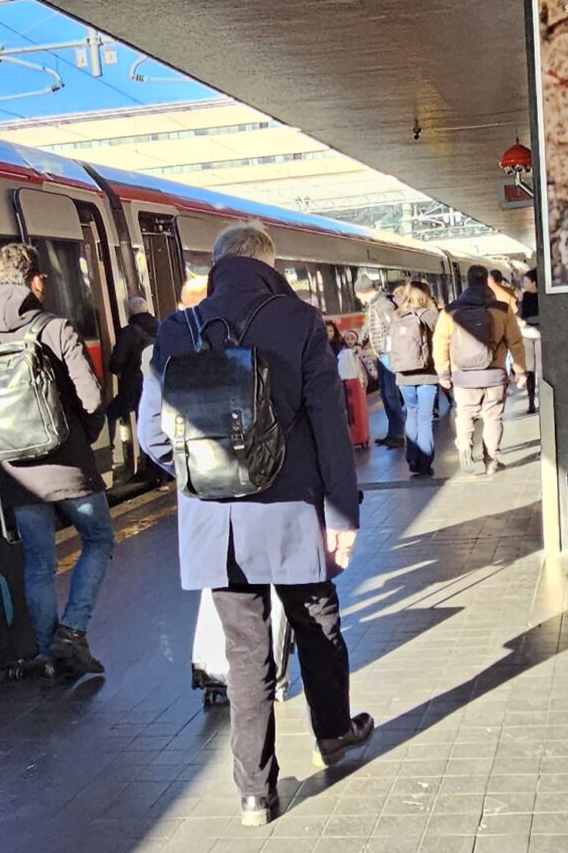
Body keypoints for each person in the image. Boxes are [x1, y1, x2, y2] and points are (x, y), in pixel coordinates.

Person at [138, 223, 372, 827]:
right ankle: (334, 734)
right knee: (317, 625)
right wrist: (341, 515)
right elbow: (330, 431)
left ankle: (254, 793)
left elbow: (152, 435)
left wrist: (206, 475)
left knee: (246, 654)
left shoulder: (175, 329)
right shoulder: (298, 322)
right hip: (293, 516)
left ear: (215, 267)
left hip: (217, 528)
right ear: (268, 264)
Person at [0, 243, 113, 679]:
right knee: (98, 539)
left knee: (40, 563)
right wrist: (83, 439)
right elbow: (92, 399)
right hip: (70, 468)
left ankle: (47, 654)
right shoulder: (55, 328)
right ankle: (71, 631)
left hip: (17, 473)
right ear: (35, 280)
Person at [433, 265, 527, 477]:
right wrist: (520, 370)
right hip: (494, 374)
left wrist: (443, 373)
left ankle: (465, 446)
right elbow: (516, 342)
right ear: (487, 280)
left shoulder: (450, 311)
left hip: (463, 376)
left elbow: (440, 343)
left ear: (466, 280)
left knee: (464, 413)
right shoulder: (502, 309)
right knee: (493, 418)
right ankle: (492, 460)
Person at [392, 281, 440, 477]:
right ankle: (425, 460)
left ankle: (412, 458)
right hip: (427, 373)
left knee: (411, 414)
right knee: (425, 417)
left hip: (403, 375)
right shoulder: (431, 315)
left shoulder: (396, 316)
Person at [354, 274, 404, 448]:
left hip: (388, 356)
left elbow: (394, 328)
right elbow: (368, 327)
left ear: (361, 292)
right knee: (385, 395)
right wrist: (360, 343)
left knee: (391, 396)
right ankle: (393, 432)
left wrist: (391, 350)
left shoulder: (384, 305)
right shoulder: (375, 304)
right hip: (382, 356)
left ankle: (398, 434)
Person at [107, 296, 158, 437]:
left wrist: (118, 371)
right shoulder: (162, 328)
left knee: (111, 413)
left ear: (130, 313)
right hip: (158, 385)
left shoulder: (128, 333)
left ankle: (110, 449)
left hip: (134, 387)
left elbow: (116, 361)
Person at [518, 268, 541, 415]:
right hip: (526, 334)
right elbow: (519, 315)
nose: (524, 284)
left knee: (540, 367)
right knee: (529, 369)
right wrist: (519, 302)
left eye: (526, 281)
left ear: (534, 283)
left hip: (539, 335)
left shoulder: (542, 297)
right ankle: (531, 401)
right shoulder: (523, 297)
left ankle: (542, 398)